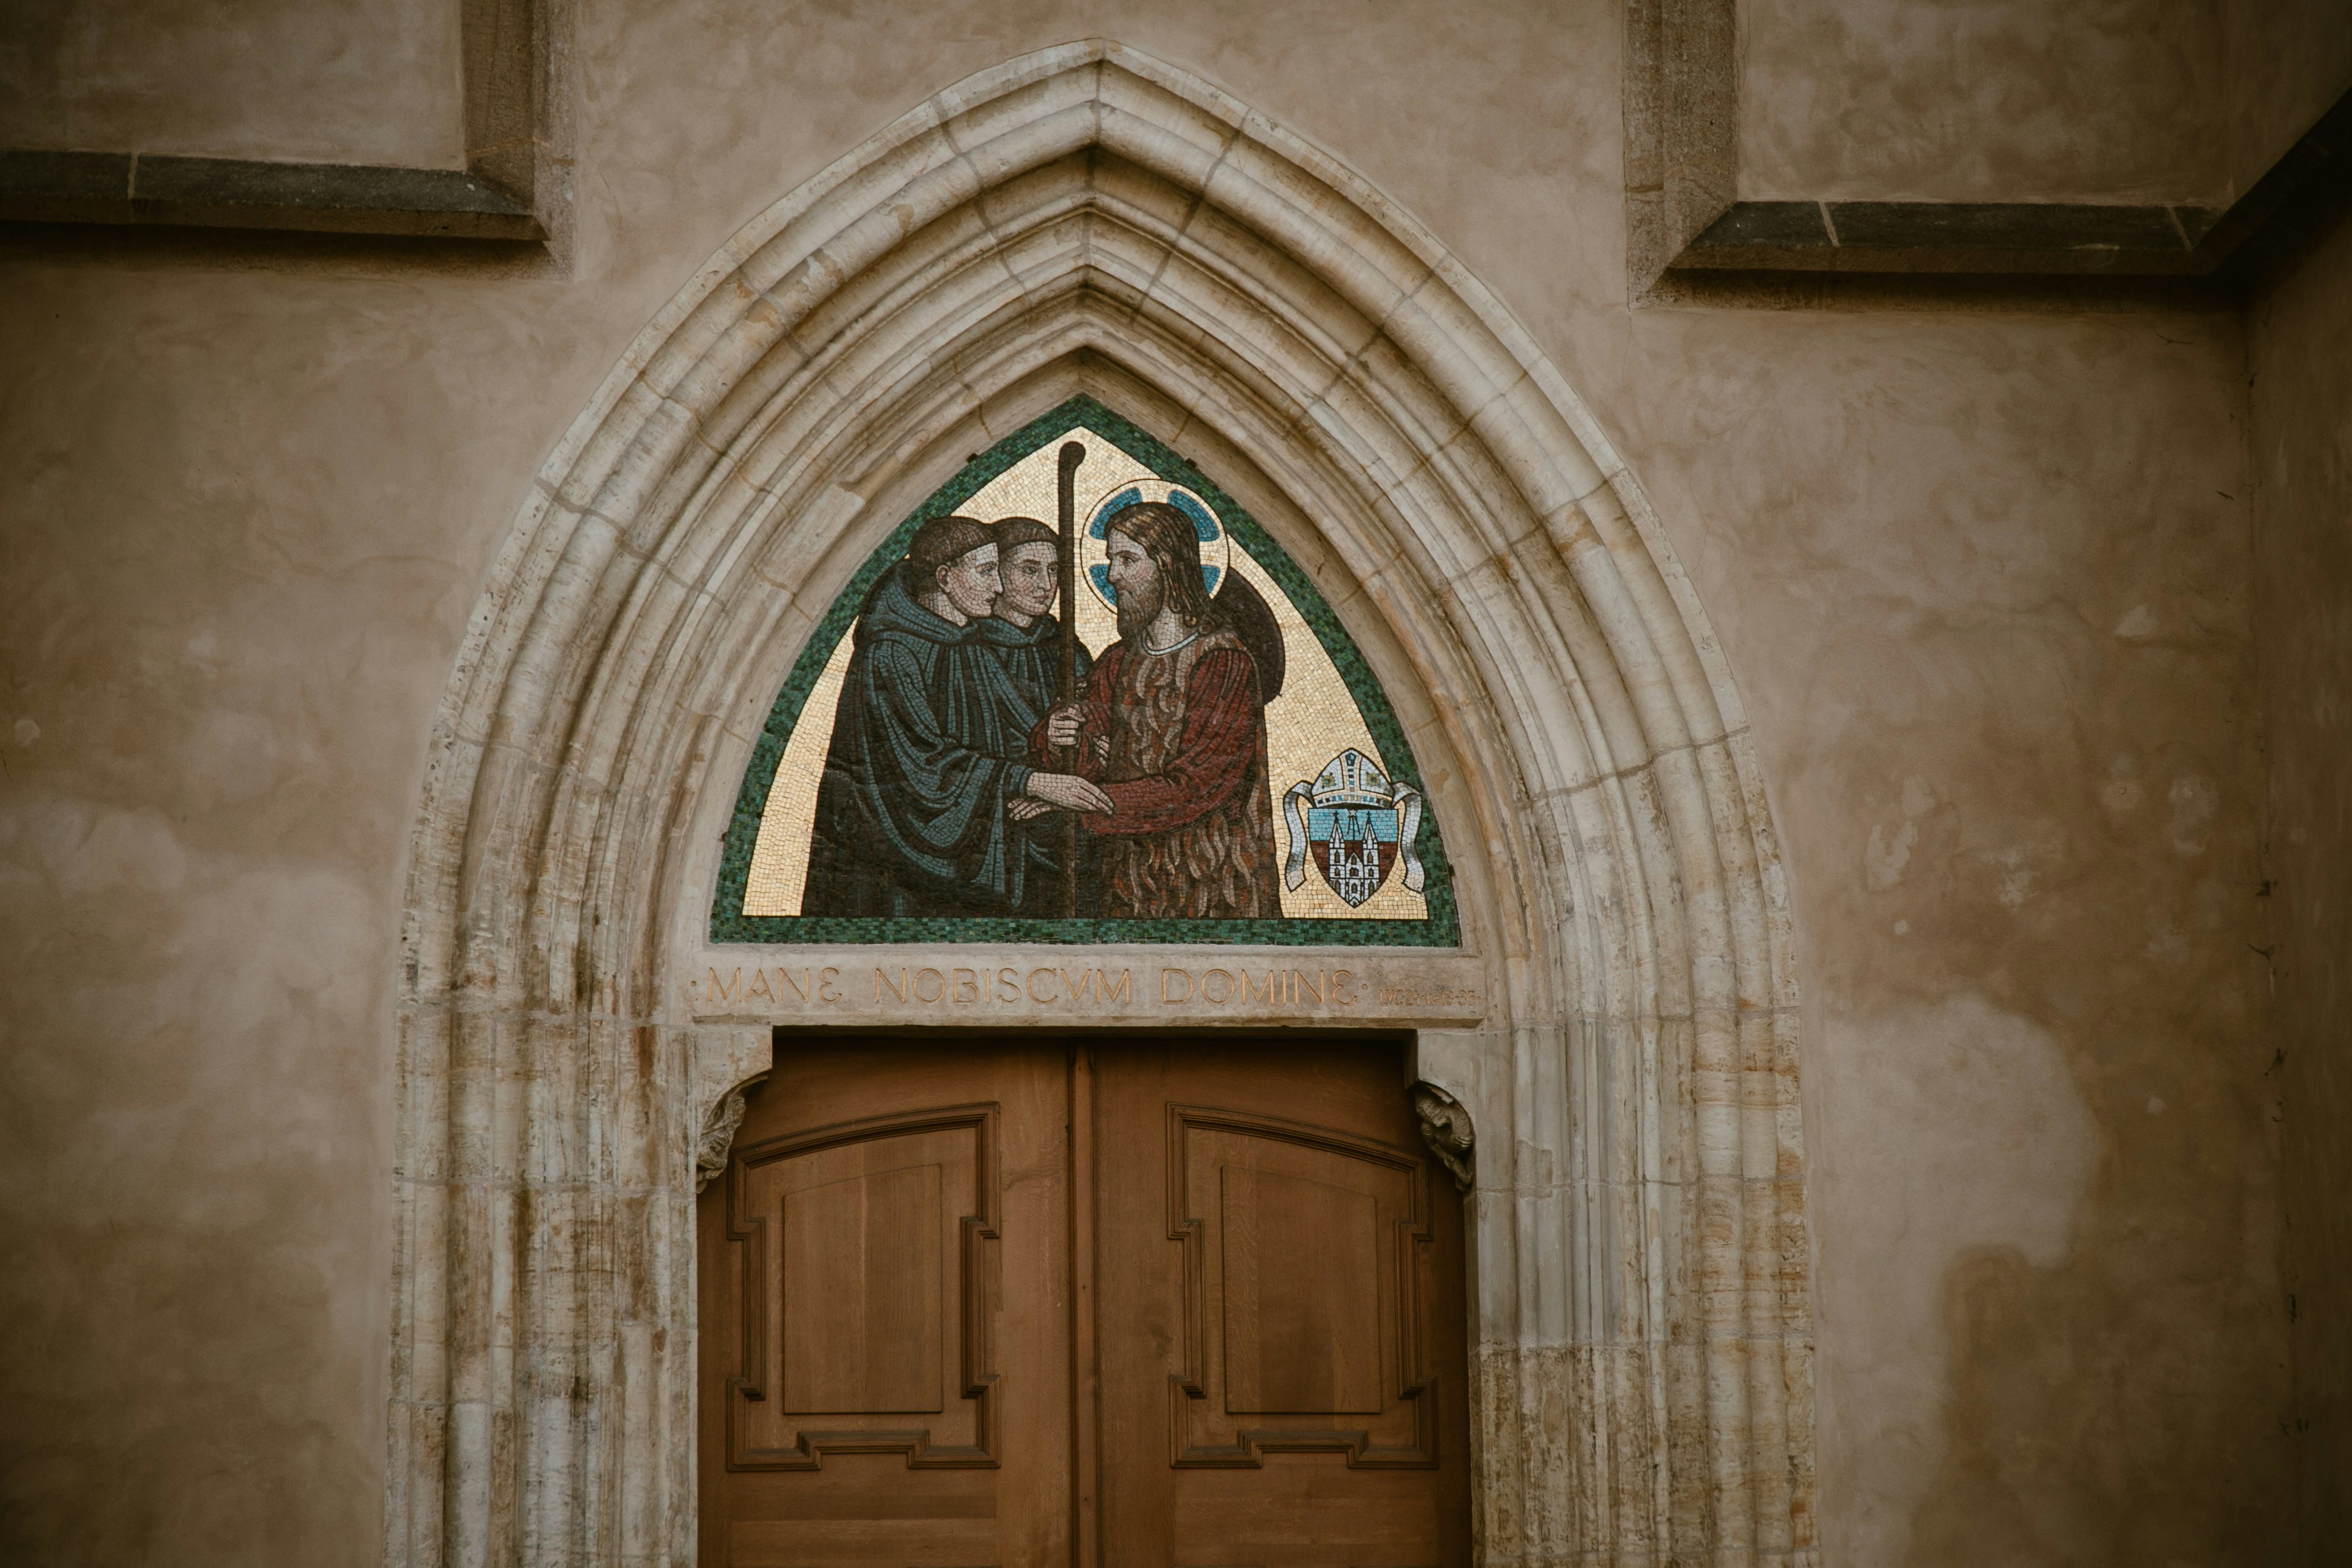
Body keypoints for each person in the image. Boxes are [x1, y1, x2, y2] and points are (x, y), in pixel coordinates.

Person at [804, 515, 1110, 917]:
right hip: (902, 866)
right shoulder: (893, 652)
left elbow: (1001, 739)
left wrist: (1062, 760)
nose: (998, 586)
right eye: (989, 572)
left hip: (1004, 850)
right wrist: (1031, 781)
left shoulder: (966, 642)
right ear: (945, 578)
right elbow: (919, 768)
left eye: (1054, 571)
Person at [1030, 501, 1282, 918]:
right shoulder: (1118, 660)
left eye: (1128, 560)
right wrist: (1058, 736)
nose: (1113, 576)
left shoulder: (1223, 663)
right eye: (1111, 560)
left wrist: (1083, 804)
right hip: (1131, 880)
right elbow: (1083, 761)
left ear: (1168, 566)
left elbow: (1196, 785)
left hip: (1209, 878)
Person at [972, 516, 1098, 915]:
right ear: (997, 574)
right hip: (995, 831)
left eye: (1054, 570)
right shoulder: (967, 647)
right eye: (1029, 570)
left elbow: (1105, 735)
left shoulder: (1066, 648)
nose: (1046, 585)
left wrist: (1063, 792)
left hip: (1068, 835)